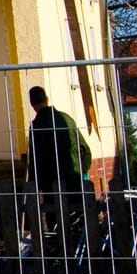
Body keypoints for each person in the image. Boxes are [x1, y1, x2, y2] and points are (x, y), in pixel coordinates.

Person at [25, 85, 89, 259]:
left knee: (57, 226)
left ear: (31, 103)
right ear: (46, 98)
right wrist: (80, 171)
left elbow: (35, 161)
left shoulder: (37, 127)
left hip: (51, 186)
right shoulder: (67, 120)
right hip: (74, 182)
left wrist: (32, 185)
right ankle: (82, 257)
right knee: (78, 222)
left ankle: (62, 258)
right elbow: (85, 150)